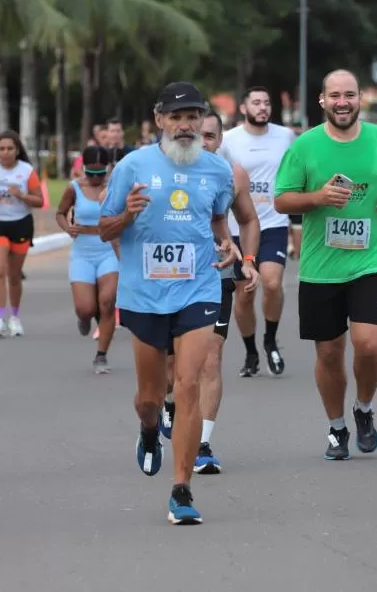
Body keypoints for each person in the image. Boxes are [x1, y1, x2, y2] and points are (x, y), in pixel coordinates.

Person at [100, 81, 236, 524]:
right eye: (176, 117)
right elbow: (105, 229)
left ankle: (181, 489)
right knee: (149, 397)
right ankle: (147, 428)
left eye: (192, 116)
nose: (184, 125)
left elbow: (217, 218)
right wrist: (128, 216)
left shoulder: (217, 170)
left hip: (198, 286)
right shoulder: (132, 166)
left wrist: (230, 246)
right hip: (143, 293)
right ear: (159, 120)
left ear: (202, 122)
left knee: (189, 383)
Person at [273, 69, 377, 461]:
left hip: (373, 258)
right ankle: (336, 428)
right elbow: (282, 200)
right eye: (335, 95)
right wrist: (316, 197)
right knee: (330, 353)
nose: (342, 102)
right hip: (321, 265)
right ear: (322, 100)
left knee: (368, 345)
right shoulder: (305, 147)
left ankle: (363, 408)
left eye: (349, 95)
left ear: (360, 98)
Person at [194, 111, 259, 472]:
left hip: (216, 273)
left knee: (211, 356)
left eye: (210, 136)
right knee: (173, 363)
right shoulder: (158, 170)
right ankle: (169, 408)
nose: (203, 142)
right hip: (171, 277)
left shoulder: (232, 175)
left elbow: (248, 219)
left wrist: (247, 259)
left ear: (220, 141)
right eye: (196, 134)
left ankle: (203, 443)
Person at [220, 86, 296, 377]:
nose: (263, 107)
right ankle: (251, 351)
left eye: (266, 102)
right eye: (256, 103)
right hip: (238, 225)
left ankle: (270, 340)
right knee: (244, 294)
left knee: (272, 283)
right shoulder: (230, 140)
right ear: (243, 108)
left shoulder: (285, 135)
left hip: (274, 221)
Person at [57, 146, 118, 374]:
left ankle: (101, 355)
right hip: (82, 251)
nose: (95, 178)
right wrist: (68, 228)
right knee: (85, 308)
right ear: (83, 169)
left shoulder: (114, 187)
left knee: (108, 301)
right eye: (90, 173)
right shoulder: (74, 188)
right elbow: (60, 213)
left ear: (107, 170)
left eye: (100, 173)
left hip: (108, 250)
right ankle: (85, 318)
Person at [0, 131, 44, 337]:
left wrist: (21, 195)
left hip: (20, 224)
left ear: (17, 150)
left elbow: (40, 200)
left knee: (14, 275)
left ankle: (15, 317)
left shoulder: (26, 170)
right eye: (1, 148)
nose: (5, 152)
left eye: (10, 148)